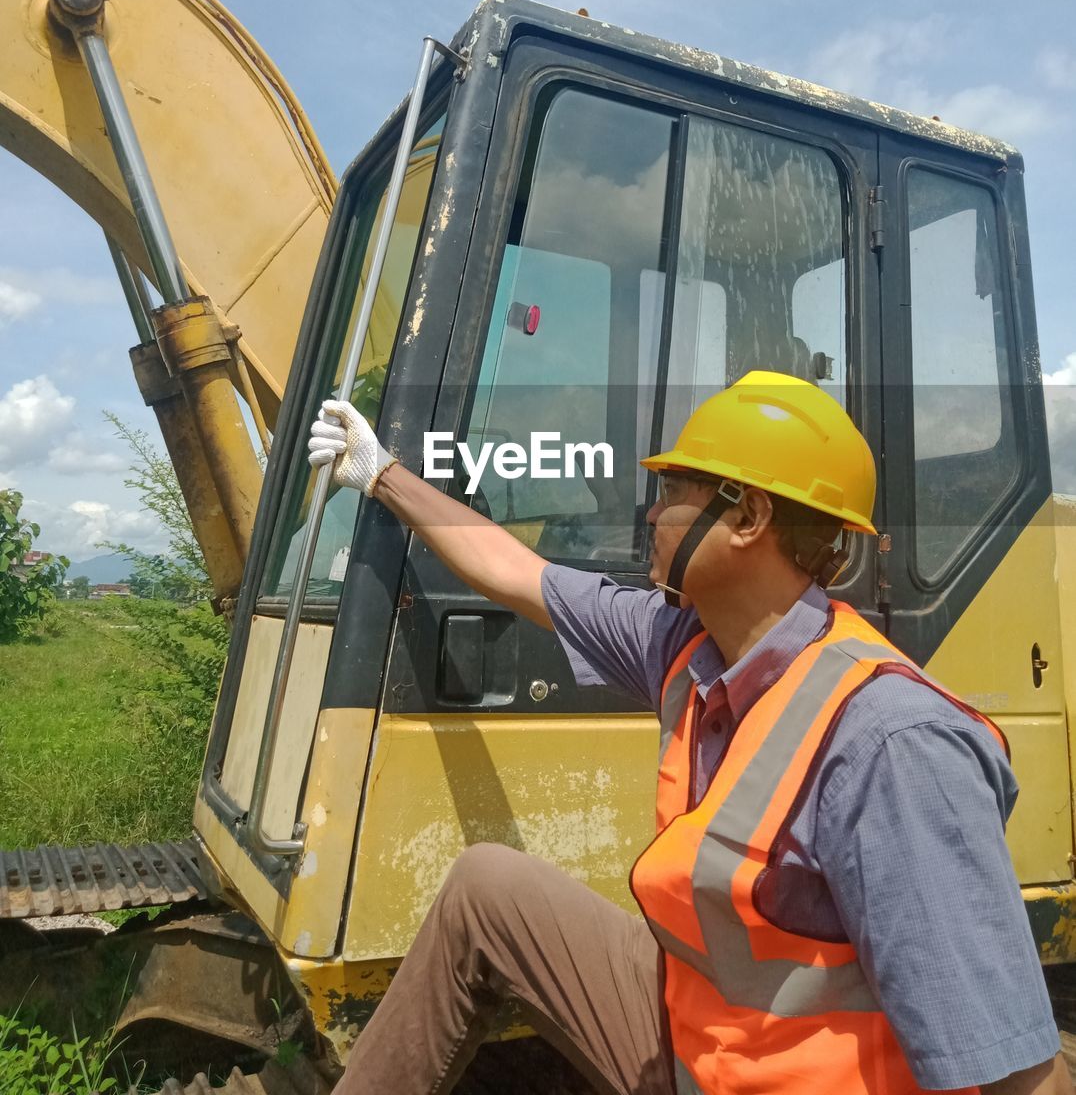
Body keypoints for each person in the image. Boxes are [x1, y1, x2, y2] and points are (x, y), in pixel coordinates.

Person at [308, 370, 1070, 1095]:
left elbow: (1018, 1071)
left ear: (748, 517)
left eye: (674, 491)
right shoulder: (683, 644)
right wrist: (382, 475)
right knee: (487, 890)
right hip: (702, 1041)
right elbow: (515, 571)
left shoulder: (888, 744)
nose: (650, 513)